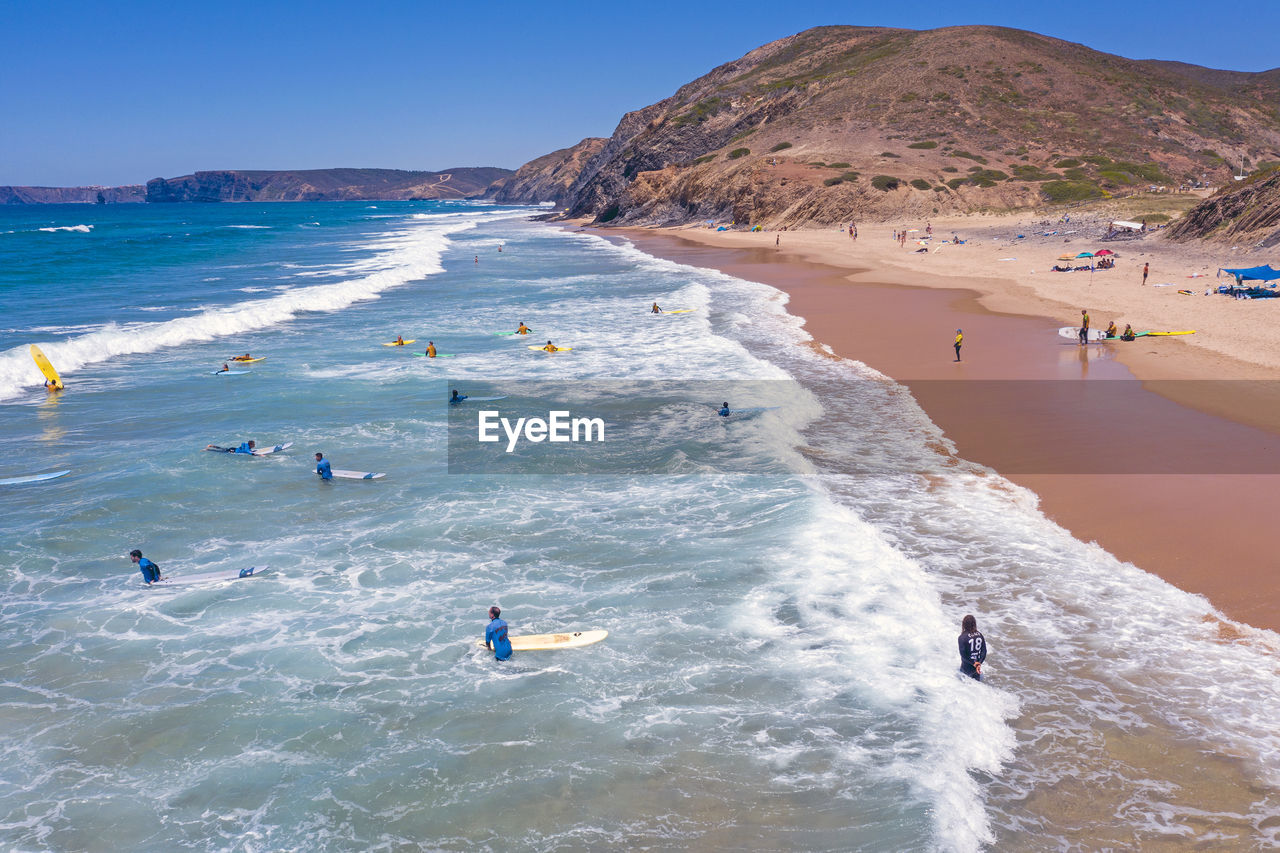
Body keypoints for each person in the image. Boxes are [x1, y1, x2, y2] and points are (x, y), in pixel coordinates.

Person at [958, 614, 987, 681]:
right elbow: (984, 651)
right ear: (974, 624)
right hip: (976, 669)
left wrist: (973, 663)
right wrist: (979, 663)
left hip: (966, 669)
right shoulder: (979, 635)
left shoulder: (962, 637)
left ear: (964, 624)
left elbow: (963, 655)